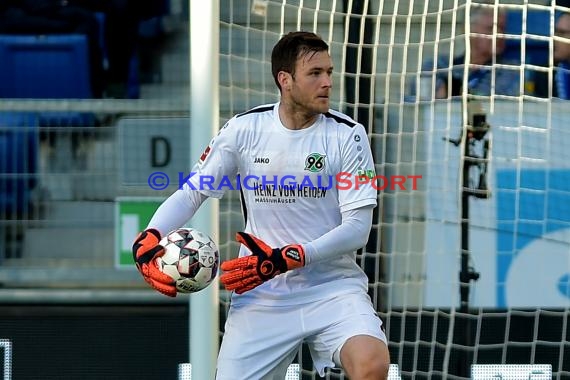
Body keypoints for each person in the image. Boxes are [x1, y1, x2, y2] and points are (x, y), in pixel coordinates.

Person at [132, 31, 391, 379]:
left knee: (372, 364)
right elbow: (192, 193)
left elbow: (358, 230)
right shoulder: (244, 130)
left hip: (332, 287)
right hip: (262, 293)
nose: (327, 82)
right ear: (285, 80)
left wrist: (291, 256)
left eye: (329, 72)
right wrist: (149, 236)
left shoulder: (347, 134)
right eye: (315, 73)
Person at [412, 4, 520, 99]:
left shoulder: (511, 70)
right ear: (468, 31)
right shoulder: (438, 65)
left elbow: (499, 103)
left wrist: (450, 89)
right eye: (490, 28)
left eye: (502, 28)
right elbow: (421, 93)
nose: (499, 35)